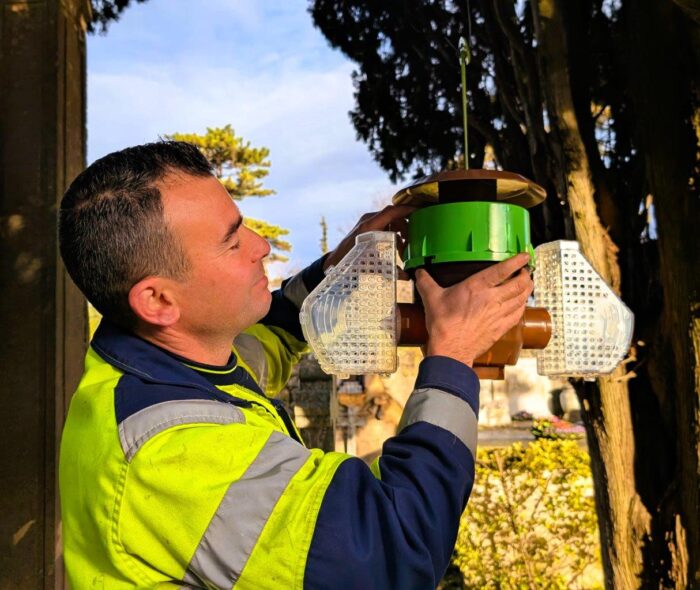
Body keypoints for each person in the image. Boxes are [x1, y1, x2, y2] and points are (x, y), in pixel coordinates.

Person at [58, 141, 533, 589]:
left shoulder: (171, 365)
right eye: (231, 242)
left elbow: (278, 331)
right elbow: (395, 550)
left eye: (243, 226)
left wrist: (338, 269)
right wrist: (452, 356)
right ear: (158, 300)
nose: (261, 246)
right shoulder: (172, 455)